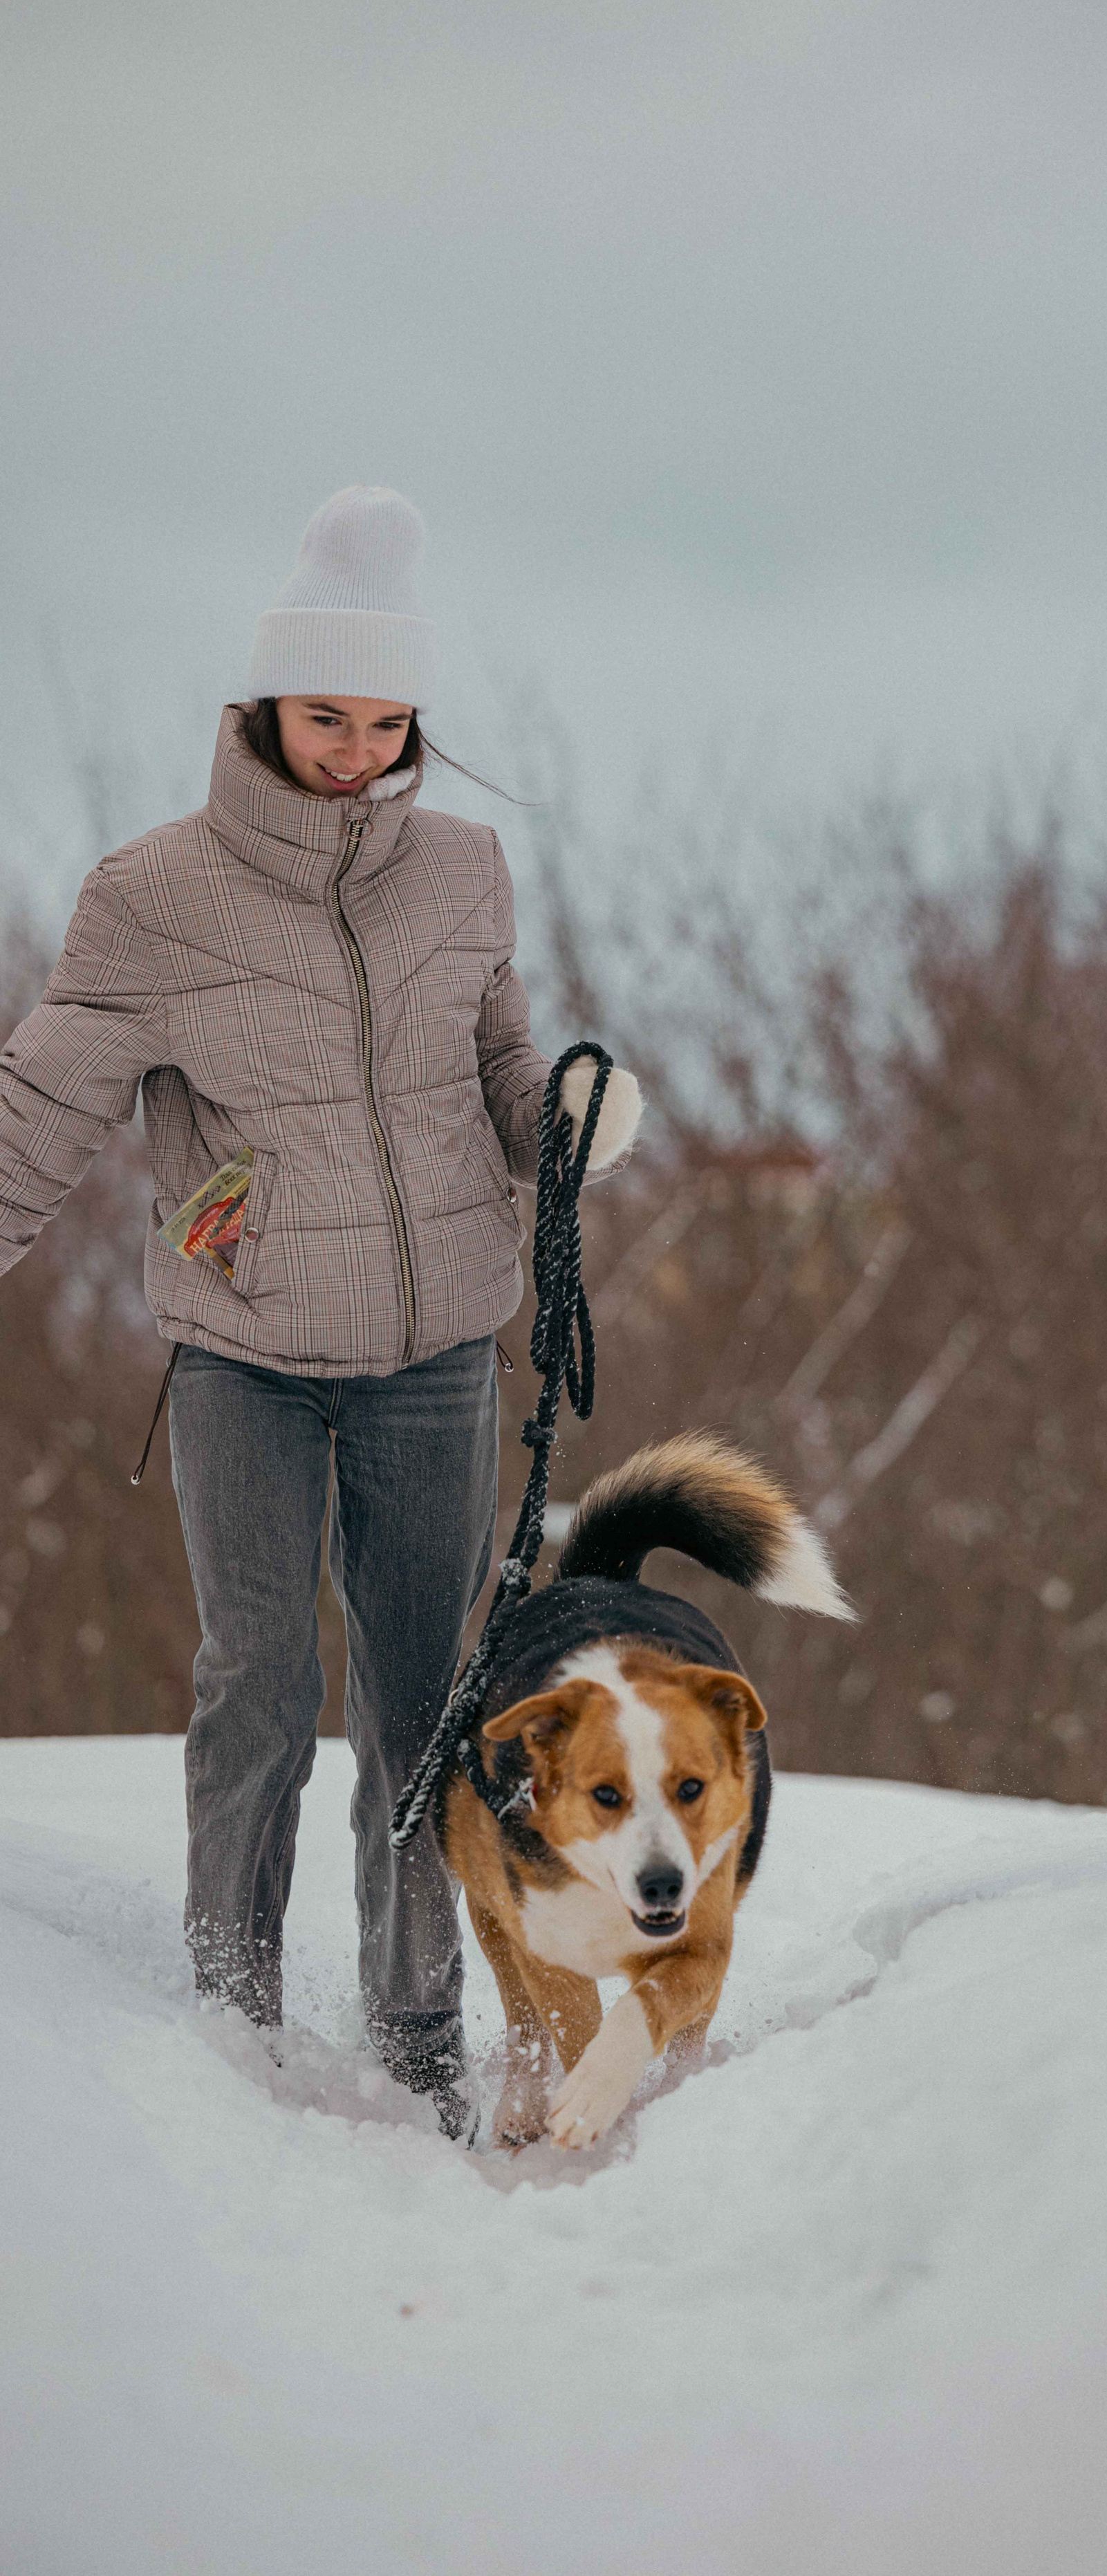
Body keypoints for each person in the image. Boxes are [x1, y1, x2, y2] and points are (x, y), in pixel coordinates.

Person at [0, 486, 639, 2135]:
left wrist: (567, 1119)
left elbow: (500, 1069)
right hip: (246, 1359)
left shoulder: (465, 870)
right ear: (264, 706)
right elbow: (42, 1104)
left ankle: (418, 2038)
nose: (355, 750)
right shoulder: (153, 893)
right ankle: (233, 2015)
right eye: (324, 715)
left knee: (427, 1702)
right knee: (260, 1683)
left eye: (383, 720)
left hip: (436, 1355)